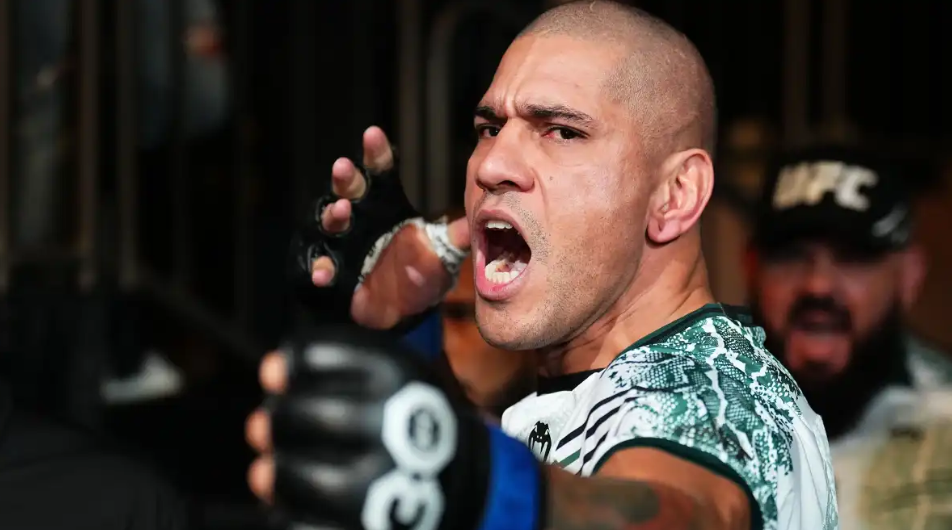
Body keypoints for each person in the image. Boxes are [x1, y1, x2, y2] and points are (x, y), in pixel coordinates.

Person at [249, 2, 838, 529]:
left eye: (562, 131)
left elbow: (685, 510)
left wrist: (492, 491)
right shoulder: (590, 387)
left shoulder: (711, 394)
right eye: (490, 128)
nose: (491, 165)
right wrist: (407, 332)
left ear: (676, 194)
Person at [745, 146, 952, 529]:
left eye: (853, 257)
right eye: (791, 256)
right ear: (751, 268)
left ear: (909, 276)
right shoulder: (684, 420)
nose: (818, 285)